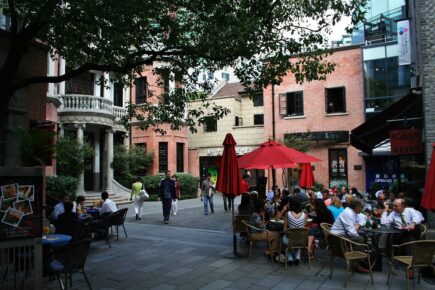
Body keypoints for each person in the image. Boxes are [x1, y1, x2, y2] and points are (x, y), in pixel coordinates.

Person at [330, 198, 369, 273]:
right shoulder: (349, 213)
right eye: (362, 207)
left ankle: (358, 261)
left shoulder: (352, 212)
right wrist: (357, 231)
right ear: (357, 207)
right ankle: (358, 262)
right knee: (360, 239)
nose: (362, 209)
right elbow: (351, 232)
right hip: (337, 238)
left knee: (362, 236)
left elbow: (363, 217)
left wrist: (358, 224)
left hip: (341, 235)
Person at [277, 197, 307, 265]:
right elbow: (303, 228)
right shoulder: (305, 215)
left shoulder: (288, 214)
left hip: (290, 240)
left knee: (288, 237)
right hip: (301, 240)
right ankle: (297, 258)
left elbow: (284, 229)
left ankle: (290, 258)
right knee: (297, 237)